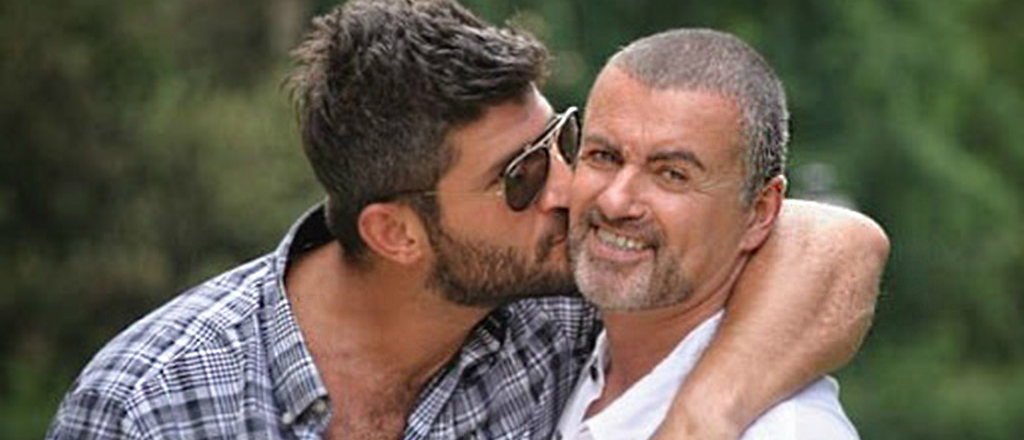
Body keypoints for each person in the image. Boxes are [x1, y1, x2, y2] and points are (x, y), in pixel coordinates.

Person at [46, 1, 888, 439]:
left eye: (560, 142)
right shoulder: (150, 409)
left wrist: (702, 421)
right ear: (395, 234)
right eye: (520, 178)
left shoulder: (562, 307)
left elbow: (832, 239)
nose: (575, 192)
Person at [556, 28, 869, 440]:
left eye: (671, 174)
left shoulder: (785, 432)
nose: (615, 201)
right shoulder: (546, 349)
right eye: (603, 156)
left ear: (759, 212)